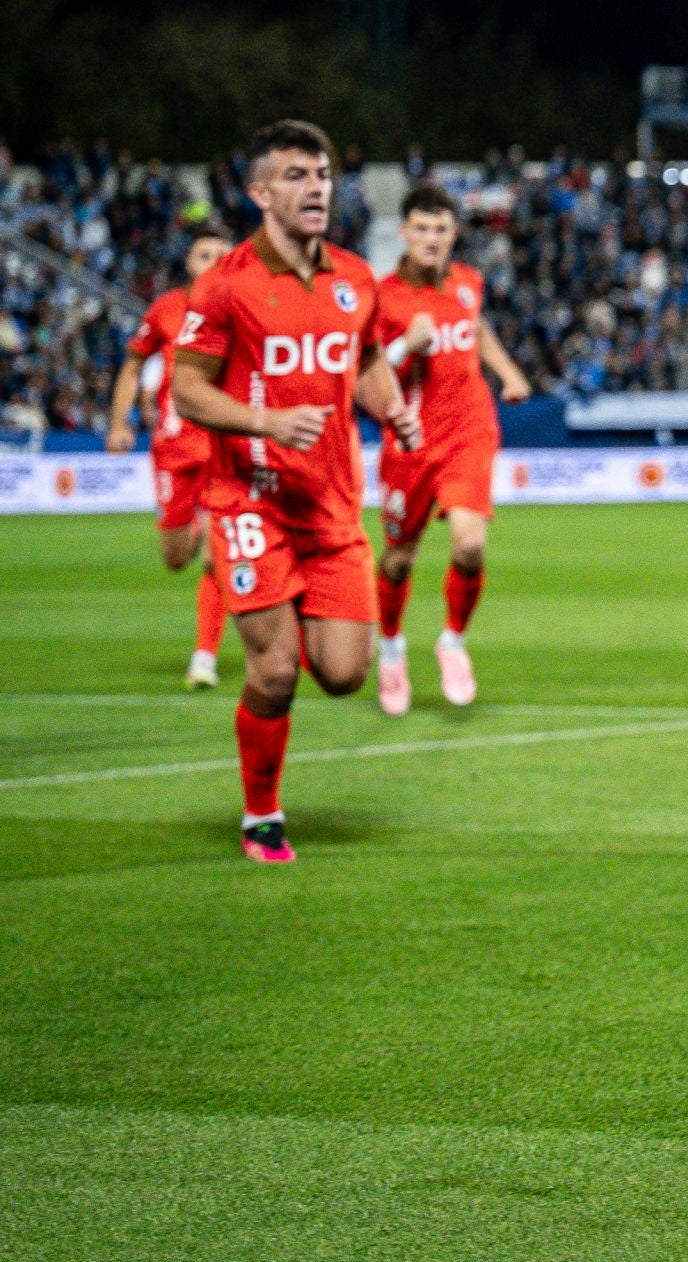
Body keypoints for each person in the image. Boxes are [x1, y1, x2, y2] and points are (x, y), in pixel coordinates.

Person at [171, 120, 422, 863]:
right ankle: (261, 815)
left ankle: (293, 620)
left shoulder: (355, 278)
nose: (315, 188)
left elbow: (364, 359)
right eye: (295, 176)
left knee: (343, 673)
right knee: (276, 671)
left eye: (322, 175)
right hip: (249, 499)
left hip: (332, 505)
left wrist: (392, 408)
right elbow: (187, 390)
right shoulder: (225, 286)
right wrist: (266, 422)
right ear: (259, 192)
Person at [371, 184, 531, 715]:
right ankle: (391, 649)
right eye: (422, 228)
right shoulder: (383, 297)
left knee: (469, 545)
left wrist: (508, 372)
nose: (431, 238)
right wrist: (403, 346)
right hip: (410, 441)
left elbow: (476, 329)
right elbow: (363, 373)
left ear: (453, 234)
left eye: (441, 229)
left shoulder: (468, 282)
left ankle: (453, 641)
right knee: (398, 559)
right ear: (404, 232)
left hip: (468, 430)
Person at [105, 226, 235, 688]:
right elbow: (134, 364)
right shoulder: (166, 309)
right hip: (174, 449)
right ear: (188, 262)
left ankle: (204, 657)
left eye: (222, 254)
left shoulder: (243, 309)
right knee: (176, 557)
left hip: (224, 445)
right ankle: (193, 526)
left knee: (218, 555)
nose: (213, 261)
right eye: (204, 254)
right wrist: (119, 422)